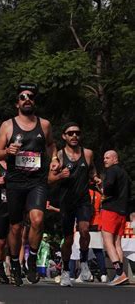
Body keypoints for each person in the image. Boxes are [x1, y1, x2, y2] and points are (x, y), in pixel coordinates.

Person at [0, 83, 59, 286]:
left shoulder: (44, 125)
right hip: (15, 180)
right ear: (17, 103)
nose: (27, 99)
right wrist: (7, 152)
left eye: (30, 96)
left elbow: (50, 144)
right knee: (15, 227)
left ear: (34, 101)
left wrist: (54, 158)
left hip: (37, 180)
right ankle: (14, 263)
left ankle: (31, 258)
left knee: (37, 220)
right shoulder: (7, 125)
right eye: (22, 96)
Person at [48, 122, 101, 286]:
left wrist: (96, 179)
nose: (74, 136)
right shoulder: (60, 156)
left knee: (85, 231)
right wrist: (60, 176)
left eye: (77, 133)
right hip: (66, 202)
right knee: (68, 239)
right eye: (70, 133)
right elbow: (49, 179)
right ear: (64, 136)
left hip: (83, 200)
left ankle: (84, 262)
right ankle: (65, 270)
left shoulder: (88, 153)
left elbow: (92, 171)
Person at [100, 150, 131, 286]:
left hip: (111, 209)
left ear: (114, 159)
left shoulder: (112, 171)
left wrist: (104, 191)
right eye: (104, 158)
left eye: (107, 158)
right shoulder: (124, 174)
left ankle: (119, 273)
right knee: (117, 243)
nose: (105, 160)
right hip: (123, 210)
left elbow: (109, 186)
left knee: (107, 241)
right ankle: (121, 275)